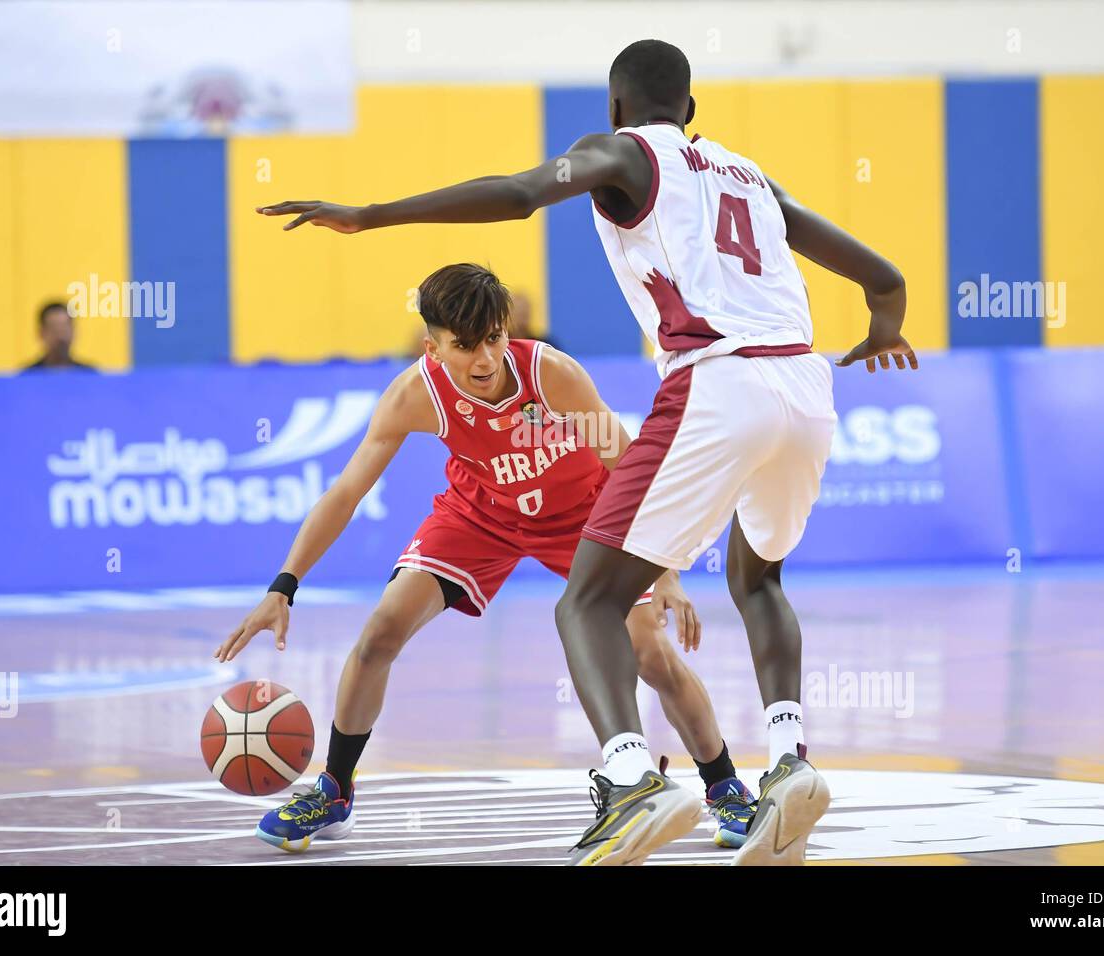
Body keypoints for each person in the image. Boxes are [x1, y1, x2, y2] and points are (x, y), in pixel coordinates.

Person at [255, 39, 917, 866]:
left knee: (595, 612)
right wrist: (884, 331)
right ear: (693, 111)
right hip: (804, 386)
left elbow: (518, 194)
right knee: (758, 578)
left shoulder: (618, 161)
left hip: (706, 392)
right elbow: (883, 278)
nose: (483, 354)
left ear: (612, 108)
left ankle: (648, 780)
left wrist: (372, 215)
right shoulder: (750, 176)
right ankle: (790, 758)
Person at [217, 263, 757, 853]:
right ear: (434, 345)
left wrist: (668, 570)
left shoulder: (551, 374)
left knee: (651, 653)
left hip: (586, 516)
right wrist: (283, 585)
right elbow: (347, 492)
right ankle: (334, 791)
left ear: (508, 329)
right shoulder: (414, 394)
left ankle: (723, 785)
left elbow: (628, 469)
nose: (483, 359)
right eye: (463, 345)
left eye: (493, 339)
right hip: (480, 517)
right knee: (380, 633)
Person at [22, 301, 97, 371]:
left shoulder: (89, 377)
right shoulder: (27, 379)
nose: (61, 336)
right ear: (41, 333)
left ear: (74, 331)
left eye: (65, 328)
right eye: (55, 329)